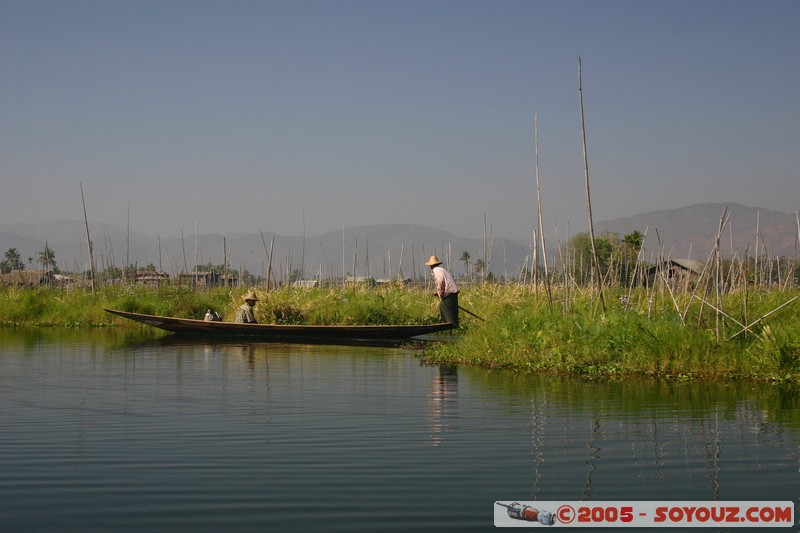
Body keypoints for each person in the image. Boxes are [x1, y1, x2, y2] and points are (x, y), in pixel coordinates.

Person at [425, 255, 459, 326]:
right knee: (451, 308)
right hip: (452, 292)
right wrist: (438, 293)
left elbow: (440, 281)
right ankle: (451, 324)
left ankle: (449, 325)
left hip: (450, 292)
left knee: (443, 307)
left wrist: (441, 293)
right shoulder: (441, 269)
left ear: (431, 265)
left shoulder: (436, 270)